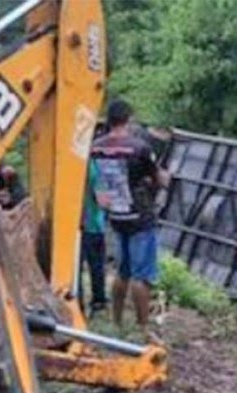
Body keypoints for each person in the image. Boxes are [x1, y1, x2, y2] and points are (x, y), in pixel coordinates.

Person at [90, 99, 169, 341]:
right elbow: (158, 179)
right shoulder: (140, 148)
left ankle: (116, 321)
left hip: (116, 213)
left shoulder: (96, 147)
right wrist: (164, 178)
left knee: (122, 272)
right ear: (128, 119)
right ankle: (143, 327)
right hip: (140, 215)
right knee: (141, 275)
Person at [79, 159, 108, 314]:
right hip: (93, 225)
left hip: (74, 225)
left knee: (75, 269)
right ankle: (98, 301)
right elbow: (102, 200)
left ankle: (78, 302)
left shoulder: (76, 162)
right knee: (96, 267)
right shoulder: (95, 167)